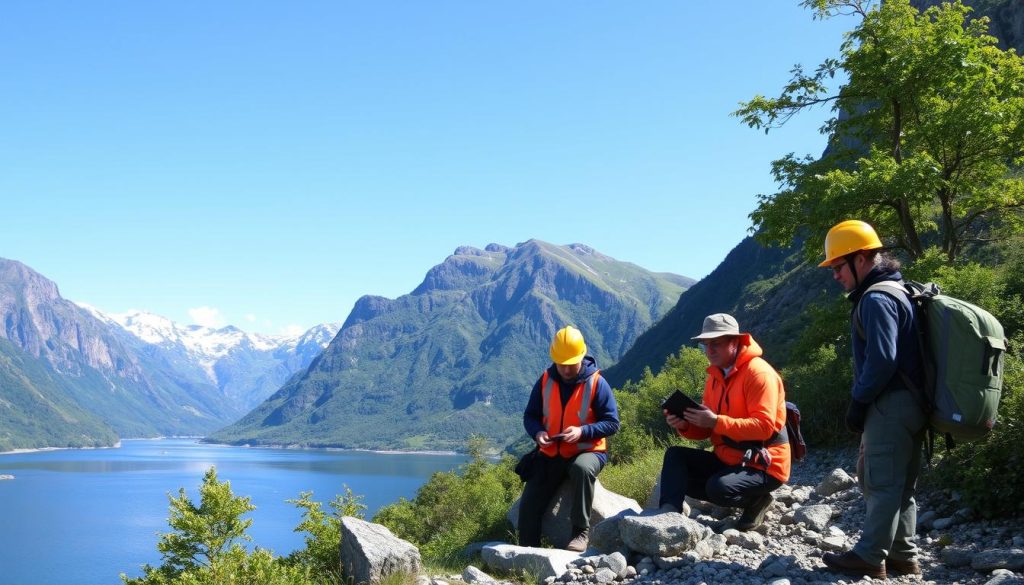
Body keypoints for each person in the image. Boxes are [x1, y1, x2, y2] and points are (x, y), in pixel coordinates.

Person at [818, 220, 926, 580]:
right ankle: (902, 556)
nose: (835, 276)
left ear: (861, 258)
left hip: (890, 404)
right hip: (914, 404)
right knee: (902, 485)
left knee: (879, 483)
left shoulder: (876, 298)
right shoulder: (900, 292)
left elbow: (882, 359)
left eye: (838, 266)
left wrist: (859, 403)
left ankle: (868, 556)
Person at [658, 313, 789, 531]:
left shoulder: (759, 374)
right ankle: (667, 516)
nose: (709, 351)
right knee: (676, 458)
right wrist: (685, 425)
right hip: (728, 456)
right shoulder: (715, 377)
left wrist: (716, 421)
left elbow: (764, 428)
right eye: (705, 345)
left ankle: (757, 501)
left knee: (717, 488)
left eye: (715, 344)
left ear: (735, 342)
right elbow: (707, 430)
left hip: (764, 464)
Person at [519, 325, 620, 552]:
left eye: (570, 364)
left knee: (581, 469)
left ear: (582, 356)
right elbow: (530, 416)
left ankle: (580, 533)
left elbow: (612, 423)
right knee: (529, 505)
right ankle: (528, 552)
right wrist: (538, 433)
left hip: (589, 451)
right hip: (551, 453)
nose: (565, 369)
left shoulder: (596, 383)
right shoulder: (545, 380)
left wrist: (582, 432)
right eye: (561, 364)